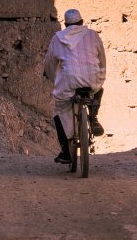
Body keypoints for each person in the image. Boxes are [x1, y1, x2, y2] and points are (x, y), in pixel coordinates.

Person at [44, 9, 106, 164]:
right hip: (93, 77)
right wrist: (101, 73)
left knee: (59, 109)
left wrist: (53, 77)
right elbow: (101, 58)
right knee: (98, 90)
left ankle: (66, 151)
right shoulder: (93, 35)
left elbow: (50, 63)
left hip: (70, 81)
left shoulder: (58, 38)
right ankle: (94, 118)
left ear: (65, 24)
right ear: (81, 21)